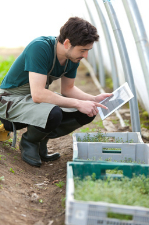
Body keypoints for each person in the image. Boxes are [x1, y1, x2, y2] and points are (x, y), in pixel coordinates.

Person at [0, 17, 112, 167]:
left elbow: (68, 89)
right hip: (10, 100)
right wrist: (78, 103)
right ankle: (30, 142)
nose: (85, 56)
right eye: (83, 50)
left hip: (30, 99)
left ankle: (41, 139)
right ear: (67, 43)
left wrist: (93, 99)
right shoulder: (40, 47)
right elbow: (38, 94)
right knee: (54, 113)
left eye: (88, 51)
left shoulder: (72, 58)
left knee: (87, 111)